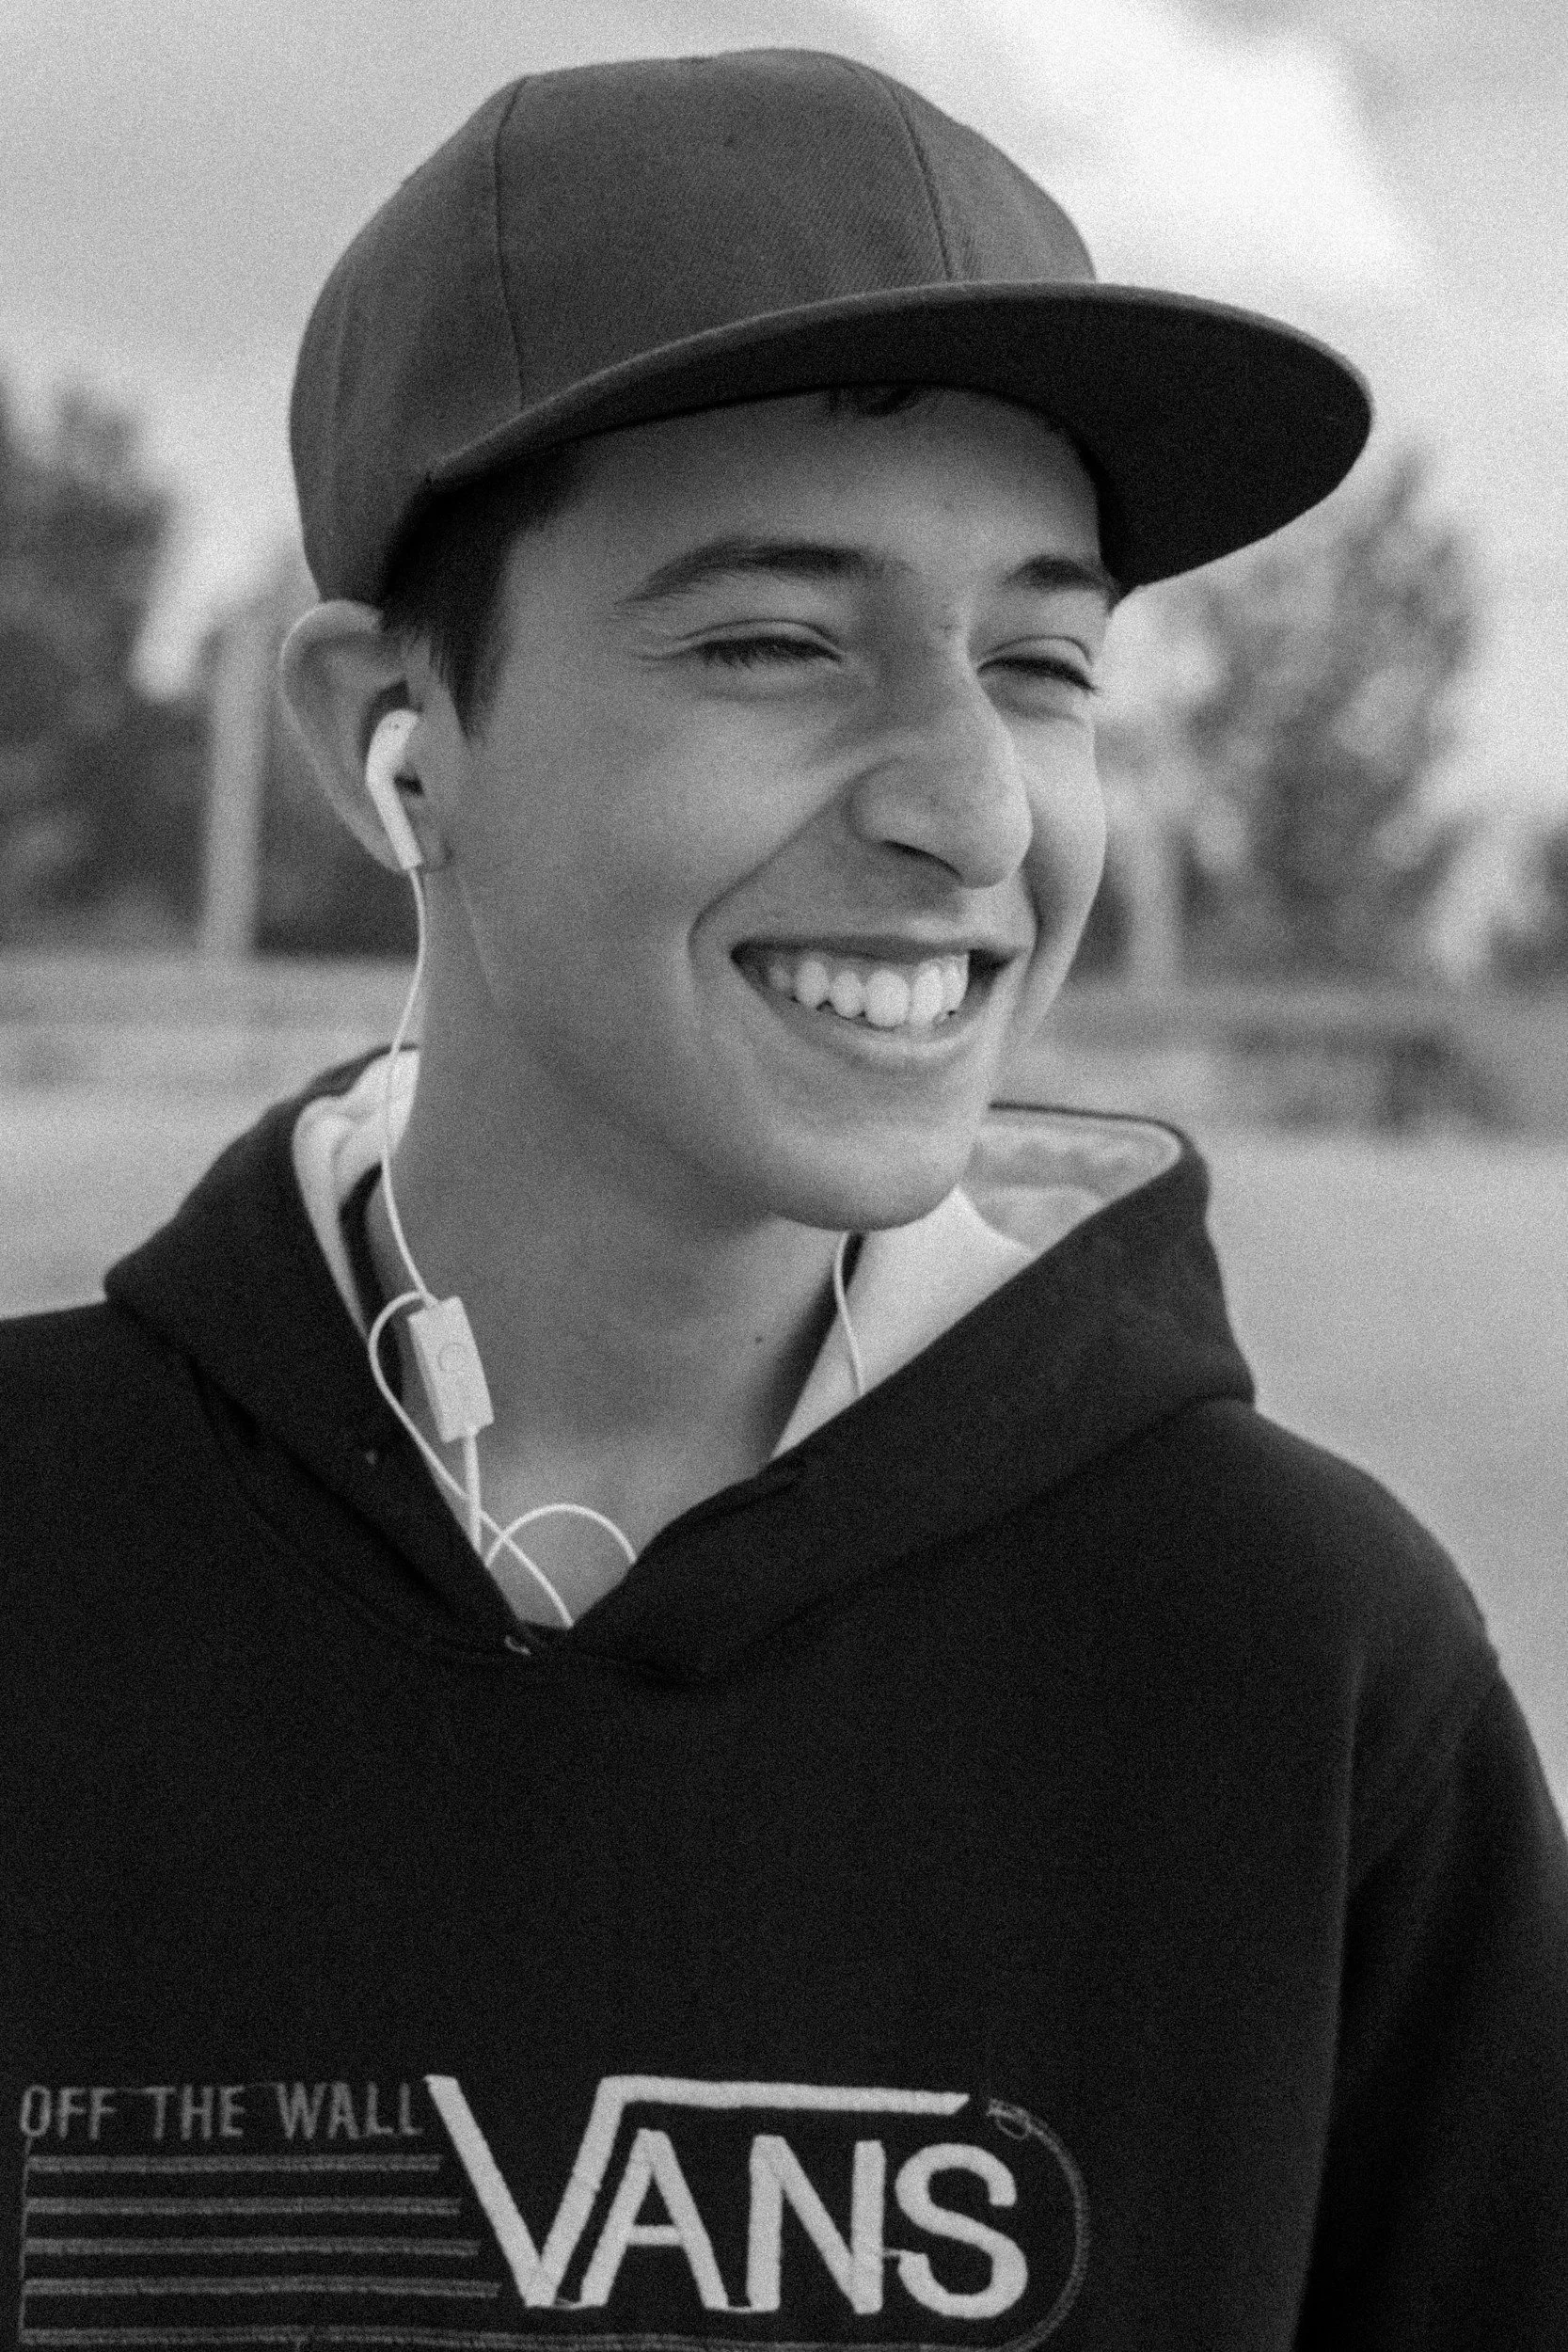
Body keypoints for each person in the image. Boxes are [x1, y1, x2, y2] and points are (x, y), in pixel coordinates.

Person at [2, 47, 1564, 2351]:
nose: (969, 807)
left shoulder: (1298, 1663)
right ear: (385, 734)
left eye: (1040, 660)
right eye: (772, 640)